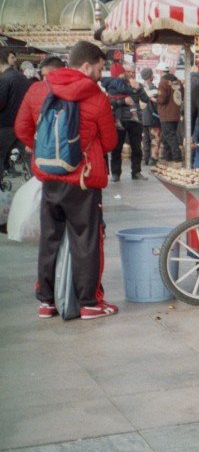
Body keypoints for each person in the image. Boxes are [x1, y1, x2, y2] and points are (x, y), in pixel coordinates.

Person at [14, 41, 119, 319]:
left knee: (49, 238)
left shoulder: (38, 90)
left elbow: (21, 128)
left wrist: (44, 152)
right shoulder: (96, 96)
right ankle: (89, 303)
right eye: (99, 67)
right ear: (86, 65)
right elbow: (109, 142)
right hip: (84, 182)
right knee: (86, 241)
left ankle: (46, 302)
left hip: (49, 179)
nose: (100, 73)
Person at [101, 62, 148, 182]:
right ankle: (116, 173)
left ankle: (136, 172)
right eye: (129, 72)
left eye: (133, 72)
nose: (131, 74)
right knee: (117, 148)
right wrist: (123, 101)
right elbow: (109, 102)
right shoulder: (114, 84)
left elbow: (146, 99)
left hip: (135, 121)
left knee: (137, 148)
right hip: (119, 120)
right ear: (123, 72)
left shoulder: (138, 84)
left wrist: (139, 89)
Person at [0, 50, 32, 191]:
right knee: (28, 158)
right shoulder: (23, 78)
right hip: (23, 126)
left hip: (5, 126)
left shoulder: (4, 79)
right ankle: (35, 189)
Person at [155, 62, 184, 162]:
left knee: (169, 136)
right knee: (167, 136)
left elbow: (162, 99)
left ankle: (177, 157)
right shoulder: (177, 81)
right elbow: (182, 96)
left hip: (166, 113)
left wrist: (155, 98)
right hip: (176, 113)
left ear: (161, 71)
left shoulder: (163, 82)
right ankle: (168, 157)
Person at [138, 67, 160, 166]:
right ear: (151, 76)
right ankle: (153, 159)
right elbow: (157, 104)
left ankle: (145, 159)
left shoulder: (140, 88)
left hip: (142, 118)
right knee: (154, 139)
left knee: (145, 139)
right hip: (153, 118)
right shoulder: (154, 89)